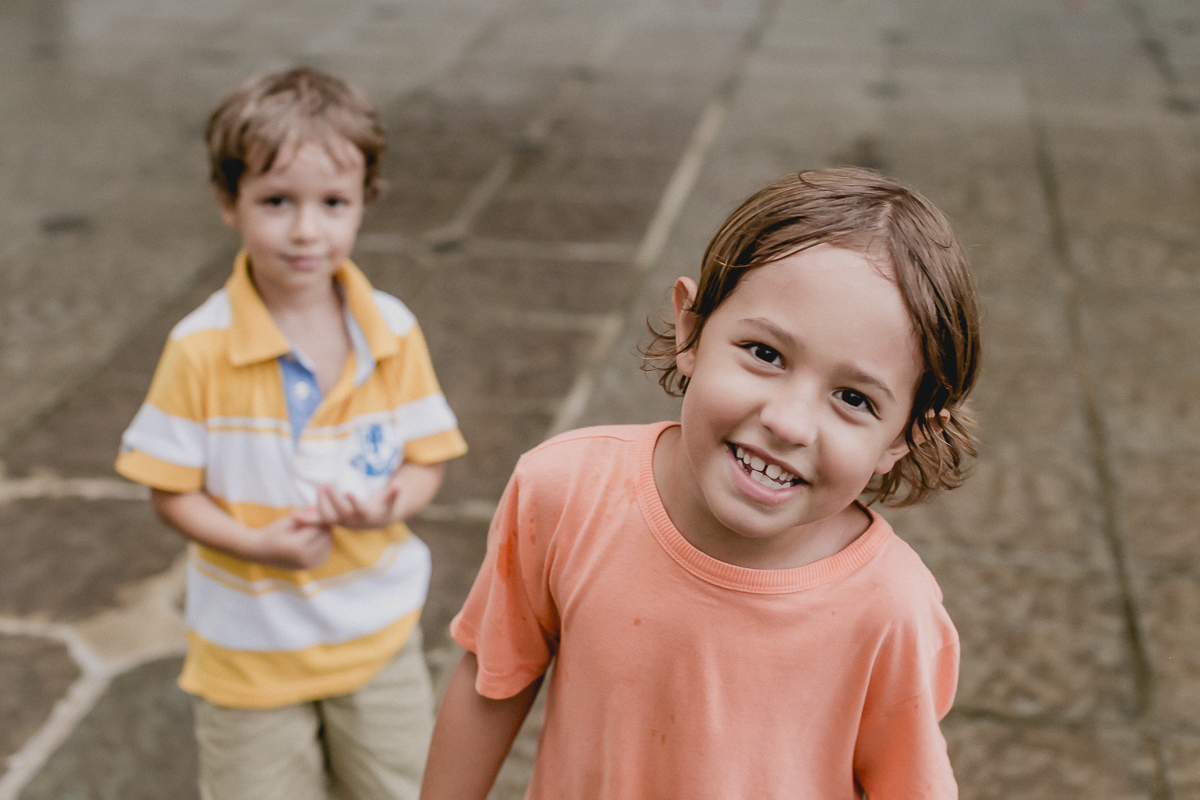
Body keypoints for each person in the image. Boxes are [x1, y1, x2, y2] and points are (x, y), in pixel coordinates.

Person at [420, 168, 980, 800]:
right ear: (691, 330)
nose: (788, 423)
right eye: (766, 354)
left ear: (907, 434)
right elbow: (494, 677)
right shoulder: (564, 492)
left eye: (853, 397)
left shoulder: (892, 610)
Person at [115, 67, 466, 800]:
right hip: (250, 649)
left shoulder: (393, 331)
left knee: (405, 787)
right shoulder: (199, 347)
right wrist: (255, 543)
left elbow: (428, 459)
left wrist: (390, 502)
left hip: (375, 636)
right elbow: (169, 489)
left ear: (362, 205)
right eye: (277, 201)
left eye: (332, 203)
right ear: (228, 203)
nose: (307, 230)